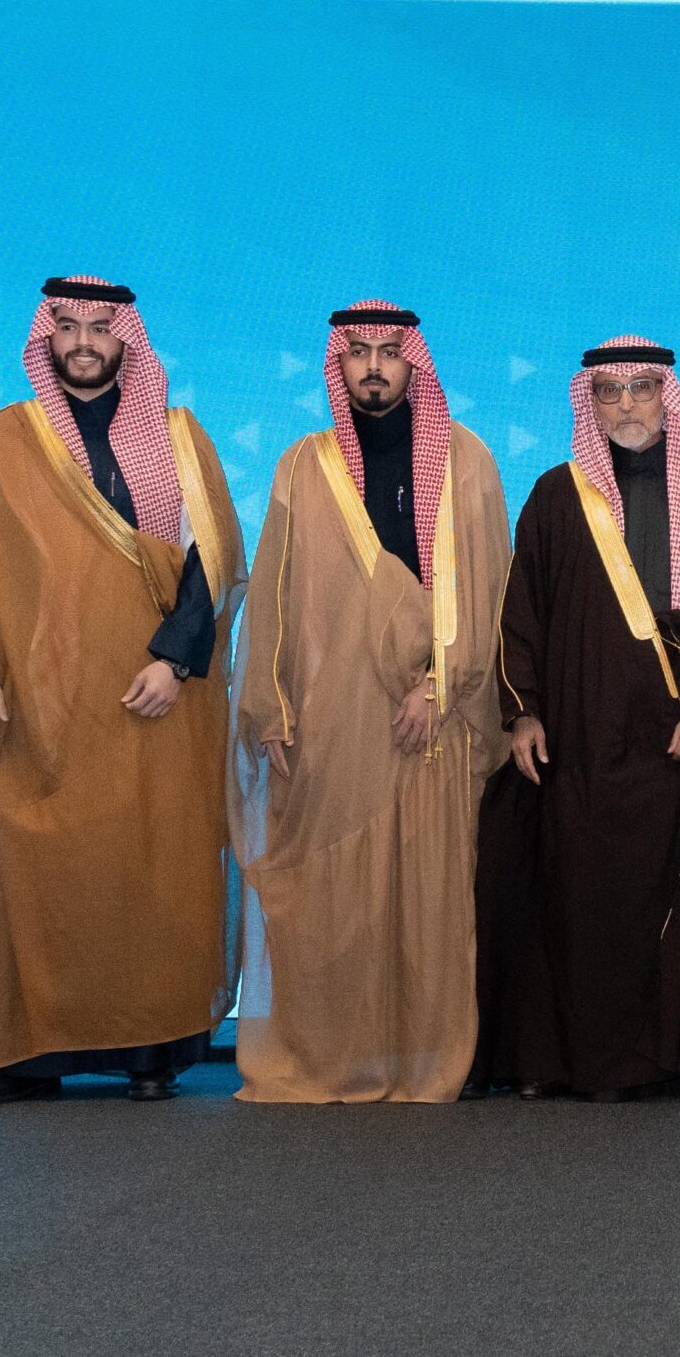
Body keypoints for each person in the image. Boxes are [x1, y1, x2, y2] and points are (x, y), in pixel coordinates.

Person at [0, 276, 245, 1104]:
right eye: (67, 326)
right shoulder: (2, 440)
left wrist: (175, 661)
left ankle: (150, 1053)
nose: (82, 341)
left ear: (125, 341)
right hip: (42, 702)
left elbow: (214, 558)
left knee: (152, 868)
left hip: (154, 696)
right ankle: (27, 1058)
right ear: (47, 337)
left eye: (99, 328)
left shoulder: (178, 436)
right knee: (39, 872)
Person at [472, 338, 680, 1101]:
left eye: (642, 388)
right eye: (608, 392)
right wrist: (522, 715)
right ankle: (583, 1061)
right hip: (586, 736)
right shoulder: (558, 495)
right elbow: (523, 614)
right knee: (587, 894)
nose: (626, 405)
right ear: (589, 403)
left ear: (668, 399)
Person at [231, 302, 510, 1102]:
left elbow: (487, 587)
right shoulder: (304, 464)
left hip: (435, 714)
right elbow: (275, 592)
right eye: (358, 352)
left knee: (428, 896)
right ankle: (333, 1056)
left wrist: (438, 684)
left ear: (413, 362)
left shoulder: (466, 460)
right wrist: (271, 706)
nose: (375, 366)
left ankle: (422, 1059)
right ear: (339, 364)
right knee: (335, 896)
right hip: (334, 715)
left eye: (390, 351)